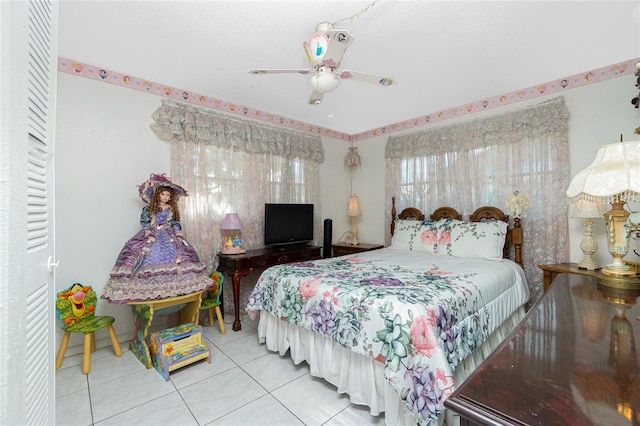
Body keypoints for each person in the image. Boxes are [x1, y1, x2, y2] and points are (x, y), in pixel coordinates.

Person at [102, 173, 212, 303]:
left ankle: (174, 287)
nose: (165, 197)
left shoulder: (171, 209)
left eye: (168, 195)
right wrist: (148, 232)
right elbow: (145, 222)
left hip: (168, 234)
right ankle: (149, 288)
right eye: (163, 194)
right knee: (148, 255)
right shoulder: (149, 208)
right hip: (152, 234)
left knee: (179, 254)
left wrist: (177, 231)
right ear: (157, 194)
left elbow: (175, 222)